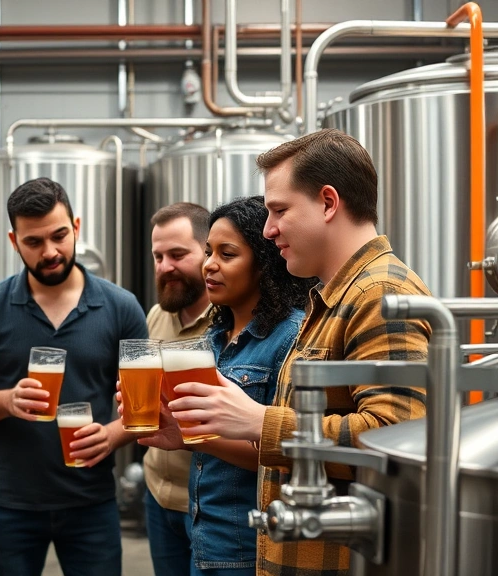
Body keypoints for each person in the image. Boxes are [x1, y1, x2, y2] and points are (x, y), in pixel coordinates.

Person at [168, 129, 431, 576]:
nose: (269, 231)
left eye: (279, 211)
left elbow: (400, 440)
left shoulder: (380, 293)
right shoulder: (334, 298)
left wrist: (257, 420)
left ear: (328, 202)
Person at [0, 177, 148, 576]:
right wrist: (7, 401)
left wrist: (112, 435)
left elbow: (145, 410)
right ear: (13, 240)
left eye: (59, 236)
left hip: (92, 500)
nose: (51, 251)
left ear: (76, 227)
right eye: (34, 242)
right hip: (10, 504)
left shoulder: (121, 306)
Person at [139, 197, 312, 575]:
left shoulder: (290, 336)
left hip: (248, 546)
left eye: (227, 254)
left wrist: (195, 437)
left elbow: (284, 454)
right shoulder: (216, 337)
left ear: (263, 264)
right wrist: (180, 432)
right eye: (207, 252)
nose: (209, 265)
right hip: (206, 534)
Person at [142, 202, 213, 576]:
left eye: (178, 254)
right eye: (158, 256)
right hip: (156, 496)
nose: (165, 266)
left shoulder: (228, 320)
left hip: (206, 504)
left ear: (208, 253)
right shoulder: (156, 316)